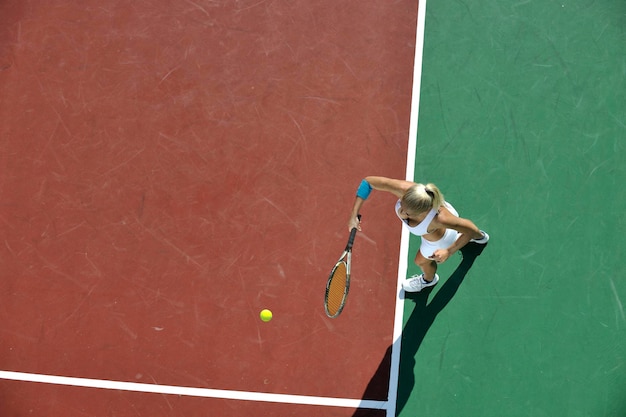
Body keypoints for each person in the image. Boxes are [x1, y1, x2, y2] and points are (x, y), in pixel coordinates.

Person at [348, 176, 489, 292]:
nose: (402, 212)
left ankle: (428, 280)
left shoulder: (439, 219)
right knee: (469, 232)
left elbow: (469, 228)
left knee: (420, 261)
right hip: (445, 222)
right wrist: (354, 215)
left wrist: (448, 251)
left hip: (441, 240)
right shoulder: (406, 190)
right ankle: (480, 238)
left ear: (422, 212)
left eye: (407, 213)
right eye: (402, 204)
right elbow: (368, 182)